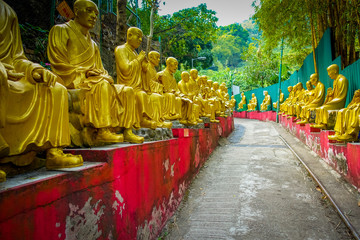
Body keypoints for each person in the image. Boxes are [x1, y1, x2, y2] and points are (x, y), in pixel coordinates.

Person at [0, 0, 83, 182]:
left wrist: (34, 69)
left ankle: (54, 152)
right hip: (2, 75)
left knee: (56, 90)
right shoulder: (62, 31)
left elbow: (16, 57)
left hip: (11, 75)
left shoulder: (7, 12)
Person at [48, 0, 143, 144]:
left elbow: (101, 69)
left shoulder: (93, 44)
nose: (94, 16)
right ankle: (102, 131)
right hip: (76, 80)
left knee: (127, 90)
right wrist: (86, 73)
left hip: (94, 80)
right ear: (77, 11)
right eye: (89, 11)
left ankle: (127, 130)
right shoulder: (61, 30)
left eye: (96, 13)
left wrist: (103, 75)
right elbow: (58, 63)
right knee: (102, 85)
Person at [115, 27, 164, 129]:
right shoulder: (121, 49)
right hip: (127, 85)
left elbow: (143, 74)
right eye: (138, 37)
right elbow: (125, 69)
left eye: (141, 37)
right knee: (142, 95)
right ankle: (142, 120)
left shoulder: (135, 53)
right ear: (129, 36)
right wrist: (139, 60)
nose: (141, 40)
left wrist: (144, 68)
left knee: (156, 97)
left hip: (138, 87)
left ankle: (157, 119)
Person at [158, 57, 197, 125]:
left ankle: (186, 118)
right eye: (175, 64)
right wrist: (175, 93)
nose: (176, 67)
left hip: (172, 94)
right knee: (177, 98)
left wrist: (182, 95)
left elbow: (176, 89)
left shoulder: (172, 77)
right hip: (164, 95)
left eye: (177, 65)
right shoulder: (162, 74)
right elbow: (166, 89)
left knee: (186, 99)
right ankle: (172, 115)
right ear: (168, 64)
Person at [311, 64, 348, 129]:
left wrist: (330, 102)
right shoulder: (335, 81)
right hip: (334, 101)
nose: (328, 74)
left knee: (323, 108)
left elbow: (341, 96)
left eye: (329, 72)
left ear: (335, 71)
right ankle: (319, 123)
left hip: (338, 103)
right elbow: (334, 94)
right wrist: (330, 95)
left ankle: (324, 124)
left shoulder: (342, 80)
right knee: (319, 108)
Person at [142, 51, 172, 128]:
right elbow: (148, 83)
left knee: (164, 96)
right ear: (150, 58)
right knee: (157, 97)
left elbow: (153, 81)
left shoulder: (153, 68)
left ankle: (161, 119)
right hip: (148, 91)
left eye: (159, 58)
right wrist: (160, 86)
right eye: (157, 58)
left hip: (153, 90)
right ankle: (156, 120)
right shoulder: (147, 67)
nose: (159, 60)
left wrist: (159, 81)